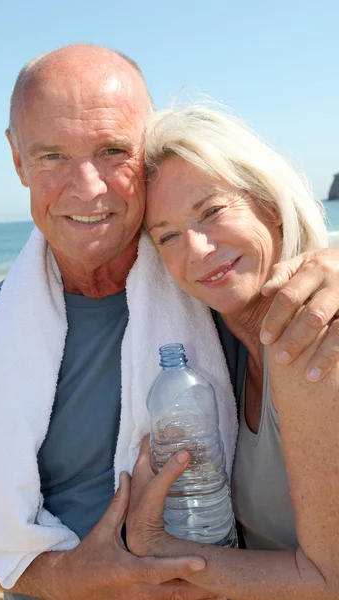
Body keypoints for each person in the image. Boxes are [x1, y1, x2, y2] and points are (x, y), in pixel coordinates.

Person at [0, 44, 338, 600]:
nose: (88, 187)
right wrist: (75, 578)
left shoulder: (210, 288)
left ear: (145, 147)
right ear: (17, 159)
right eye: (51, 155)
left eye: (112, 150)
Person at [125, 104, 339, 599]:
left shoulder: (313, 339)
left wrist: (157, 550)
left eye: (213, 211)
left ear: (269, 203)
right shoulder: (223, 355)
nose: (197, 249)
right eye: (168, 236)